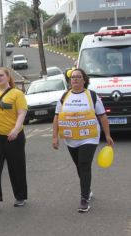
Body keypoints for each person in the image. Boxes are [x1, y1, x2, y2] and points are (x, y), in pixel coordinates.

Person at [52, 68, 114, 213]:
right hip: (71, 138)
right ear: (70, 80)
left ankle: (84, 199)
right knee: (79, 166)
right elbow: (56, 117)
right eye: (73, 77)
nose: (75, 79)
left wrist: (108, 135)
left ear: (84, 80)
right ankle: (88, 189)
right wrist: (55, 136)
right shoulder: (64, 97)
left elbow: (103, 116)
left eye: (79, 77)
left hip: (89, 137)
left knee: (84, 163)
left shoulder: (92, 96)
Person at [0, 67, 28, 209]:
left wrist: (15, 130)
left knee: (16, 168)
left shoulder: (17, 94)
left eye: (1, 75)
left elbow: (22, 113)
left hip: (14, 136)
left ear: (8, 77)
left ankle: (20, 196)